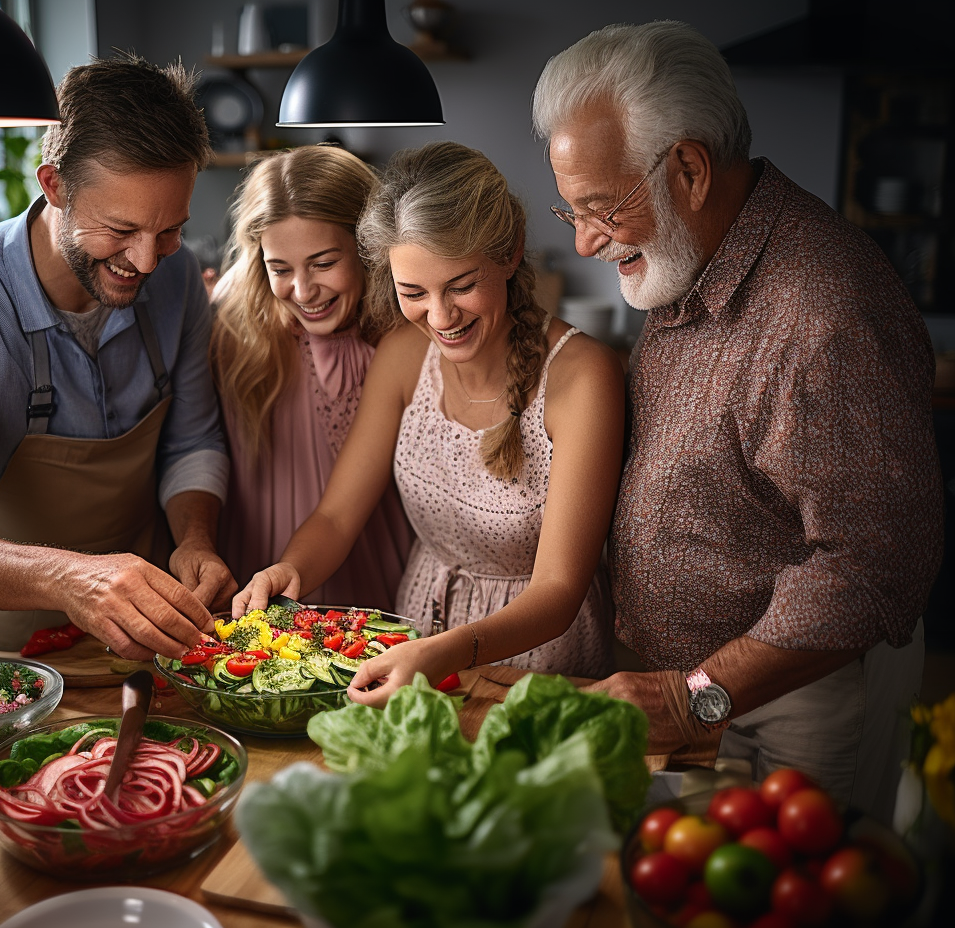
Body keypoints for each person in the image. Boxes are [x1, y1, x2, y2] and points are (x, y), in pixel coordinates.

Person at [532, 21, 944, 821]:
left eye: (601, 208)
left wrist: (699, 699)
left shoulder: (827, 311)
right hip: (698, 691)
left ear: (687, 167)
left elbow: (870, 569)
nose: (583, 241)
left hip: (796, 703)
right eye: (569, 210)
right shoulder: (693, 253)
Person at [234, 141, 625, 705]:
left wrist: (445, 650)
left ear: (510, 253)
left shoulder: (583, 376)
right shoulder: (402, 353)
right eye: (413, 292)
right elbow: (337, 516)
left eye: (461, 286)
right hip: (413, 645)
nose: (439, 318)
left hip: (540, 668)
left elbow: (560, 592)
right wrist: (289, 569)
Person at [0, 53, 237, 663]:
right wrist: (73, 578)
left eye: (170, 230)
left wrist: (194, 541)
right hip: (1, 643)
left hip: (140, 626)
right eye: (120, 229)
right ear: (54, 187)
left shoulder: (176, 279)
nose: (148, 261)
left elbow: (192, 441)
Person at [211, 145, 413, 608]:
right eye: (279, 268)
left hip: (383, 579)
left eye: (324, 263)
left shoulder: (406, 335)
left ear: (368, 246)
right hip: (256, 573)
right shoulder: (231, 323)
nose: (303, 291)